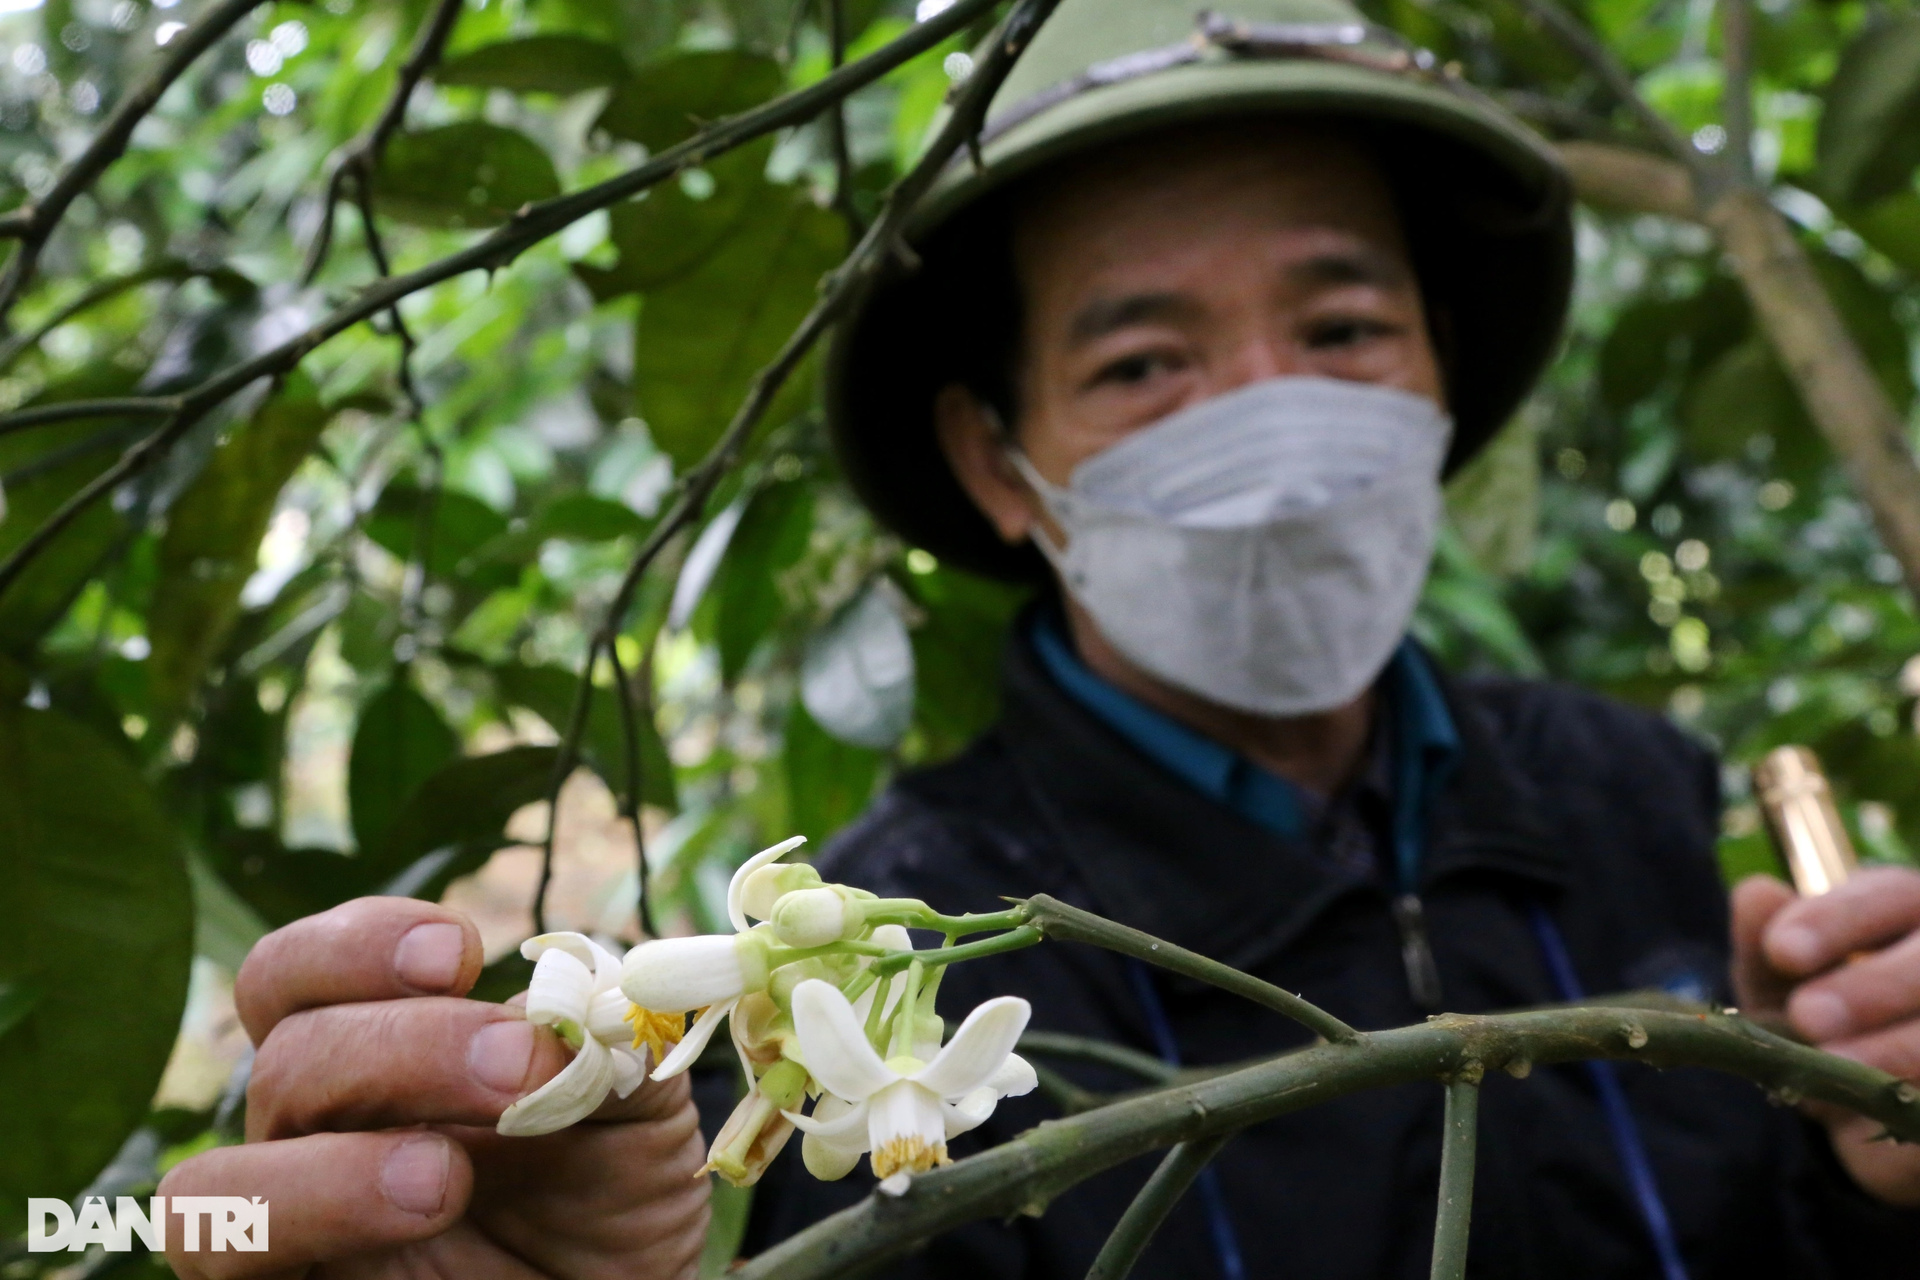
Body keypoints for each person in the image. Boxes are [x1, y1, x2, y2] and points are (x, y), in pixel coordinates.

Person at [158, 0, 1920, 1275]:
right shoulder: (888, 938)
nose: (1278, 420)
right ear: (994, 464)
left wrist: (1857, 1170)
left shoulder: (1632, 796)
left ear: (1441, 376)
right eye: (1146, 363)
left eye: (1345, 322)